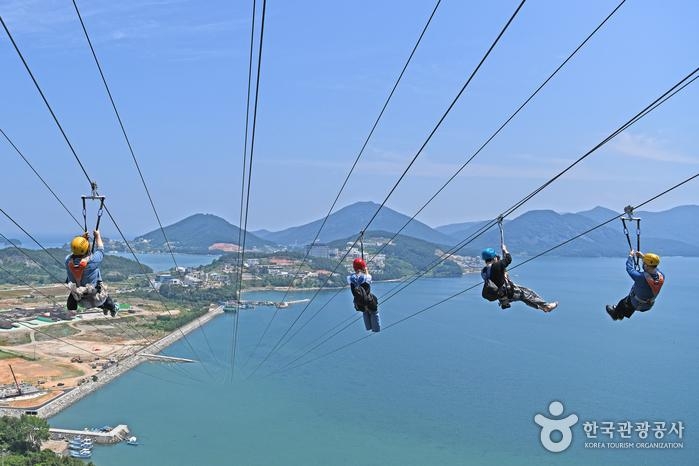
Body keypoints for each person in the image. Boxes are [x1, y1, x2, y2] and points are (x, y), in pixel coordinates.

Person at [481, 244, 557, 313]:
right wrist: (505, 250)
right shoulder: (497, 265)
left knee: (524, 297)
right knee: (529, 293)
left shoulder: (483, 271)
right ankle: (547, 306)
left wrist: (503, 270)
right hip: (509, 292)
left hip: (502, 297)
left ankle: (542, 308)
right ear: (494, 257)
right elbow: (508, 259)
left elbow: (496, 277)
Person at [65, 230, 117, 317]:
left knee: (75, 288)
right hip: (97, 298)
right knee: (105, 297)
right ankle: (112, 308)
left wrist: (82, 240)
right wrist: (97, 236)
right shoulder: (92, 261)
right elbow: (100, 249)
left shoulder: (67, 261)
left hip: (79, 299)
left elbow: (75, 253)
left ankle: (105, 307)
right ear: (86, 249)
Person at [606, 250, 664, 321]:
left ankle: (615, 315)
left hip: (637, 304)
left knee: (624, 301)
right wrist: (643, 257)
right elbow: (653, 267)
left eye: (644, 263)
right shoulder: (661, 276)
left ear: (647, 266)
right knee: (634, 297)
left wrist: (631, 256)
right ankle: (622, 314)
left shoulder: (641, 278)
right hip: (648, 305)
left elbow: (629, 268)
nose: (643, 264)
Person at [347, 257, 380, 332]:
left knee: (365, 311)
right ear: (363, 267)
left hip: (358, 303)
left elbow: (355, 276)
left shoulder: (350, 279)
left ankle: (368, 327)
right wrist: (366, 270)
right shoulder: (366, 277)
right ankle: (376, 329)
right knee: (374, 312)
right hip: (369, 301)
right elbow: (369, 278)